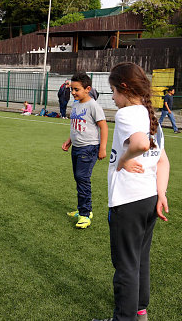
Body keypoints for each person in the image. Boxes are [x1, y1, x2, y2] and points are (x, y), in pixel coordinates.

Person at [92, 62, 170, 321]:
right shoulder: (151, 115)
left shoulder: (128, 114)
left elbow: (139, 143)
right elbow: (162, 160)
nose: (113, 98)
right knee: (140, 260)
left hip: (128, 201)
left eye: (113, 91)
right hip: (148, 198)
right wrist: (162, 194)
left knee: (125, 265)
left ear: (124, 88)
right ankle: (140, 311)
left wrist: (124, 159)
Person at [62, 72, 108, 229]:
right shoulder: (76, 104)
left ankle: (85, 215)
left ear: (87, 89)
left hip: (89, 148)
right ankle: (84, 208)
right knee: (78, 178)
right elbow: (75, 125)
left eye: (76, 90)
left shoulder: (93, 106)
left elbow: (104, 127)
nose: (73, 93)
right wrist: (69, 141)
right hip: (76, 147)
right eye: (72, 90)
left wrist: (102, 148)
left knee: (82, 178)